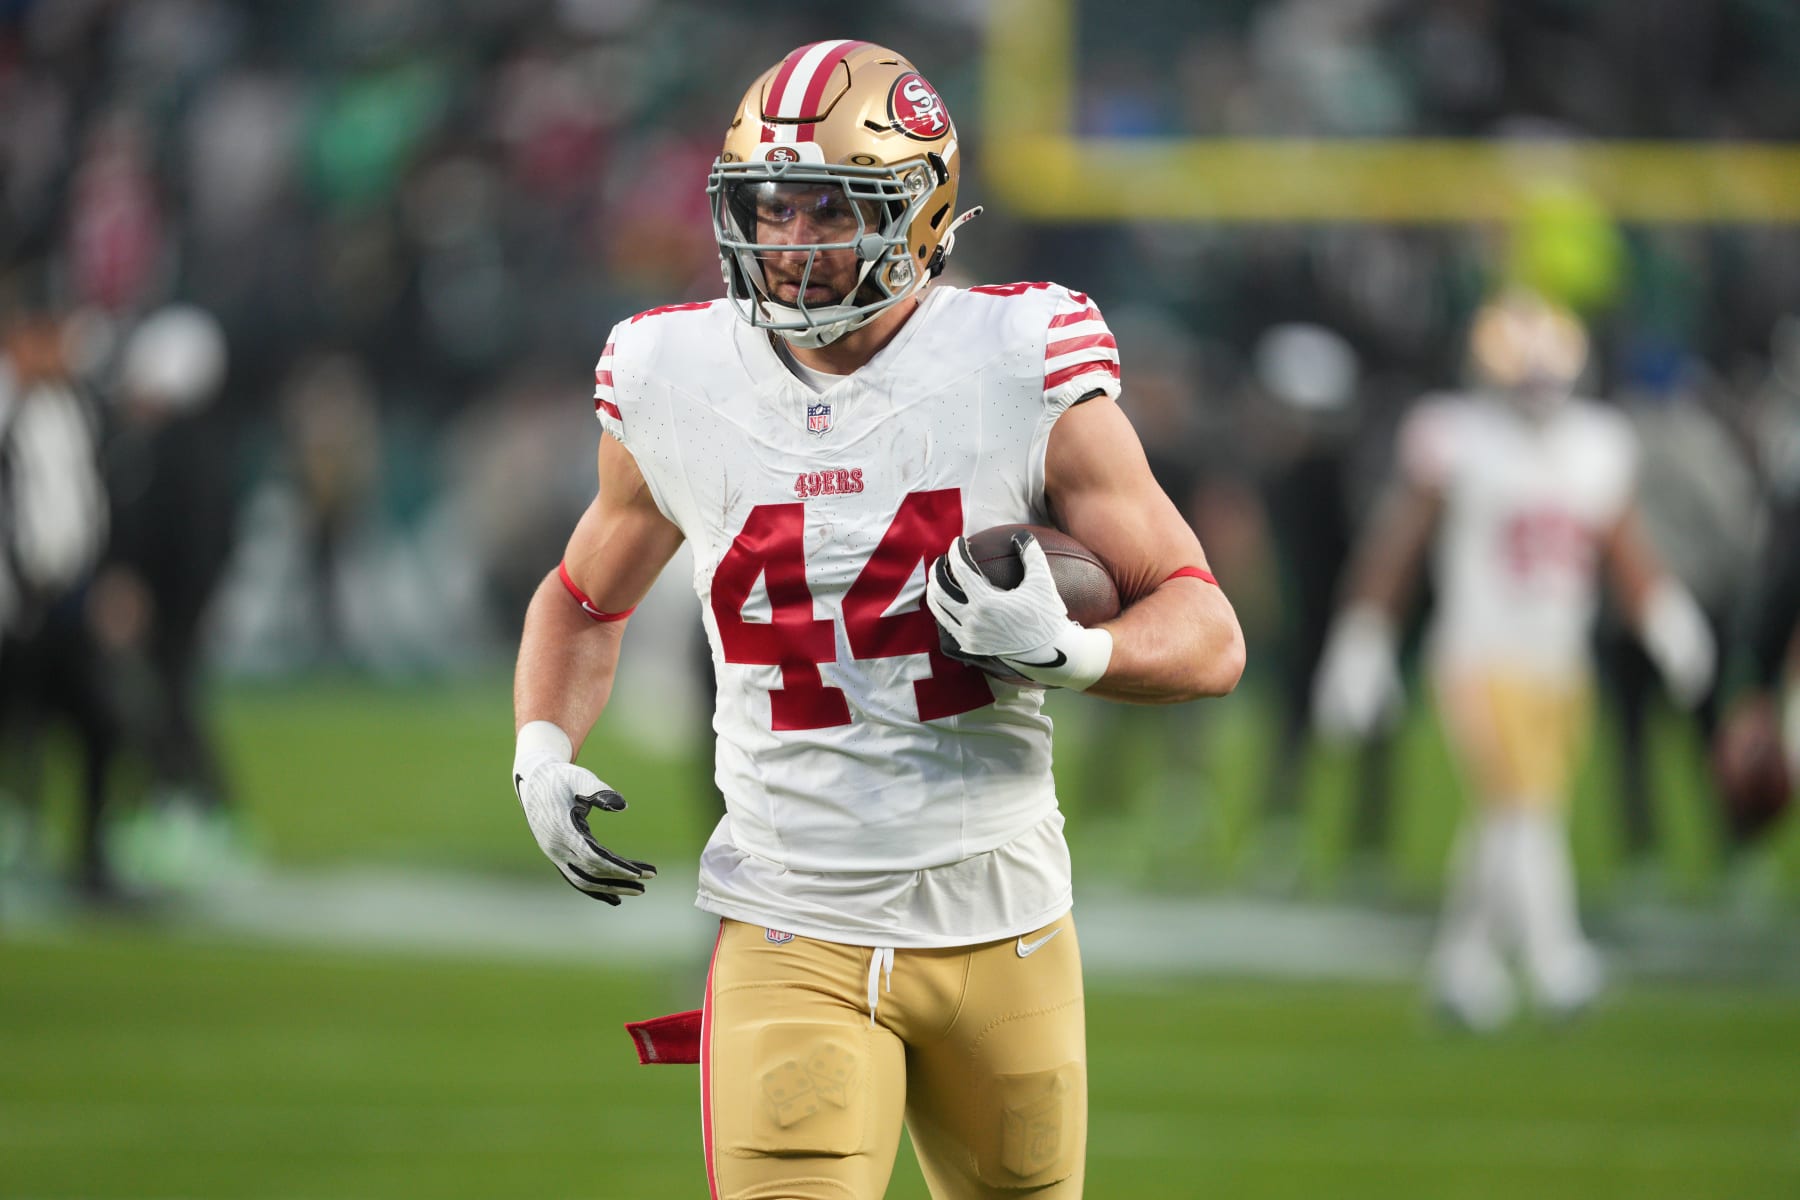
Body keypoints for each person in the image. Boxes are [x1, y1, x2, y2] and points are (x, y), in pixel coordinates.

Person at [509, 41, 1244, 1200]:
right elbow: (582, 597)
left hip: (1009, 918)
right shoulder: (670, 371)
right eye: (771, 208)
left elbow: (1207, 629)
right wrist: (541, 748)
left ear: (921, 212)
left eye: (829, 211)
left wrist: (1075, 653)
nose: (792, 246)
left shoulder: (1018, 359)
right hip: (792, 915)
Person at [1312, 290, 1714, 1030]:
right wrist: (1363, 637)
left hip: (1560, 658)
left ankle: (1462, 965)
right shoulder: (1456, 436)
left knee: (1514, 814)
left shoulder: (1597, 442)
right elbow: (1399, 544)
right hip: (1480, 651)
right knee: (1522, 804)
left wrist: (1665, 613)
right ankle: (1558, 959)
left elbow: (1620, 540)